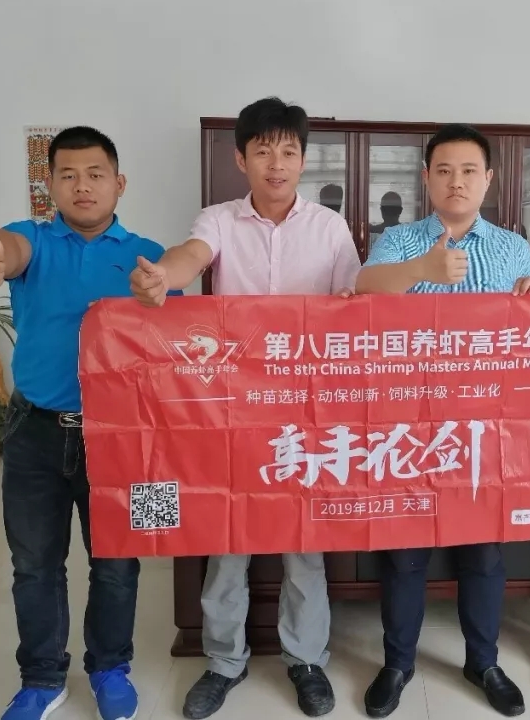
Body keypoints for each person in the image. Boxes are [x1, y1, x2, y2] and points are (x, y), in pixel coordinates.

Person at [129, 97, 360, 720]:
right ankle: (223, 661)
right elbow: (191, 256)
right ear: (241, 159)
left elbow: (352, 304)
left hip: (306, 410)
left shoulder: (330, 228)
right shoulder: (219, 219)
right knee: (227, 536)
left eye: (288, 151)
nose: (276, 164)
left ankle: (305, 660)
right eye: (263, 151)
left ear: (303, 160)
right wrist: (164, 277)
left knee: (303, 542)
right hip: (233, 409)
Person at [0, 126, 176, 720]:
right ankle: (41, 679)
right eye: (68, 175)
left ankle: (111, 668)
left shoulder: (149, 256)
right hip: (34, 430)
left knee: (119, 561)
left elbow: (181, 342)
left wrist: (160, 286)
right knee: (34, 563)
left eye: (95, 174)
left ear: (119, 183)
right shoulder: (33, 241)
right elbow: (4, 253)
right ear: (50, 185)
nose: (82, 186)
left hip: (124, 435)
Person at [354, 123, 530, 718]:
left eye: (468, 171)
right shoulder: (400, 240)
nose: (456, 181)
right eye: (444, 170)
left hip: (488, 425)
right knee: (404, 548)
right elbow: (364, 287)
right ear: (427, 178)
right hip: (408, 422)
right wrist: (422, 270)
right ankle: (398, 663)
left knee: (483, 551)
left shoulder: (512, 247)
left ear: (488, 179)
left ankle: (483, 661)